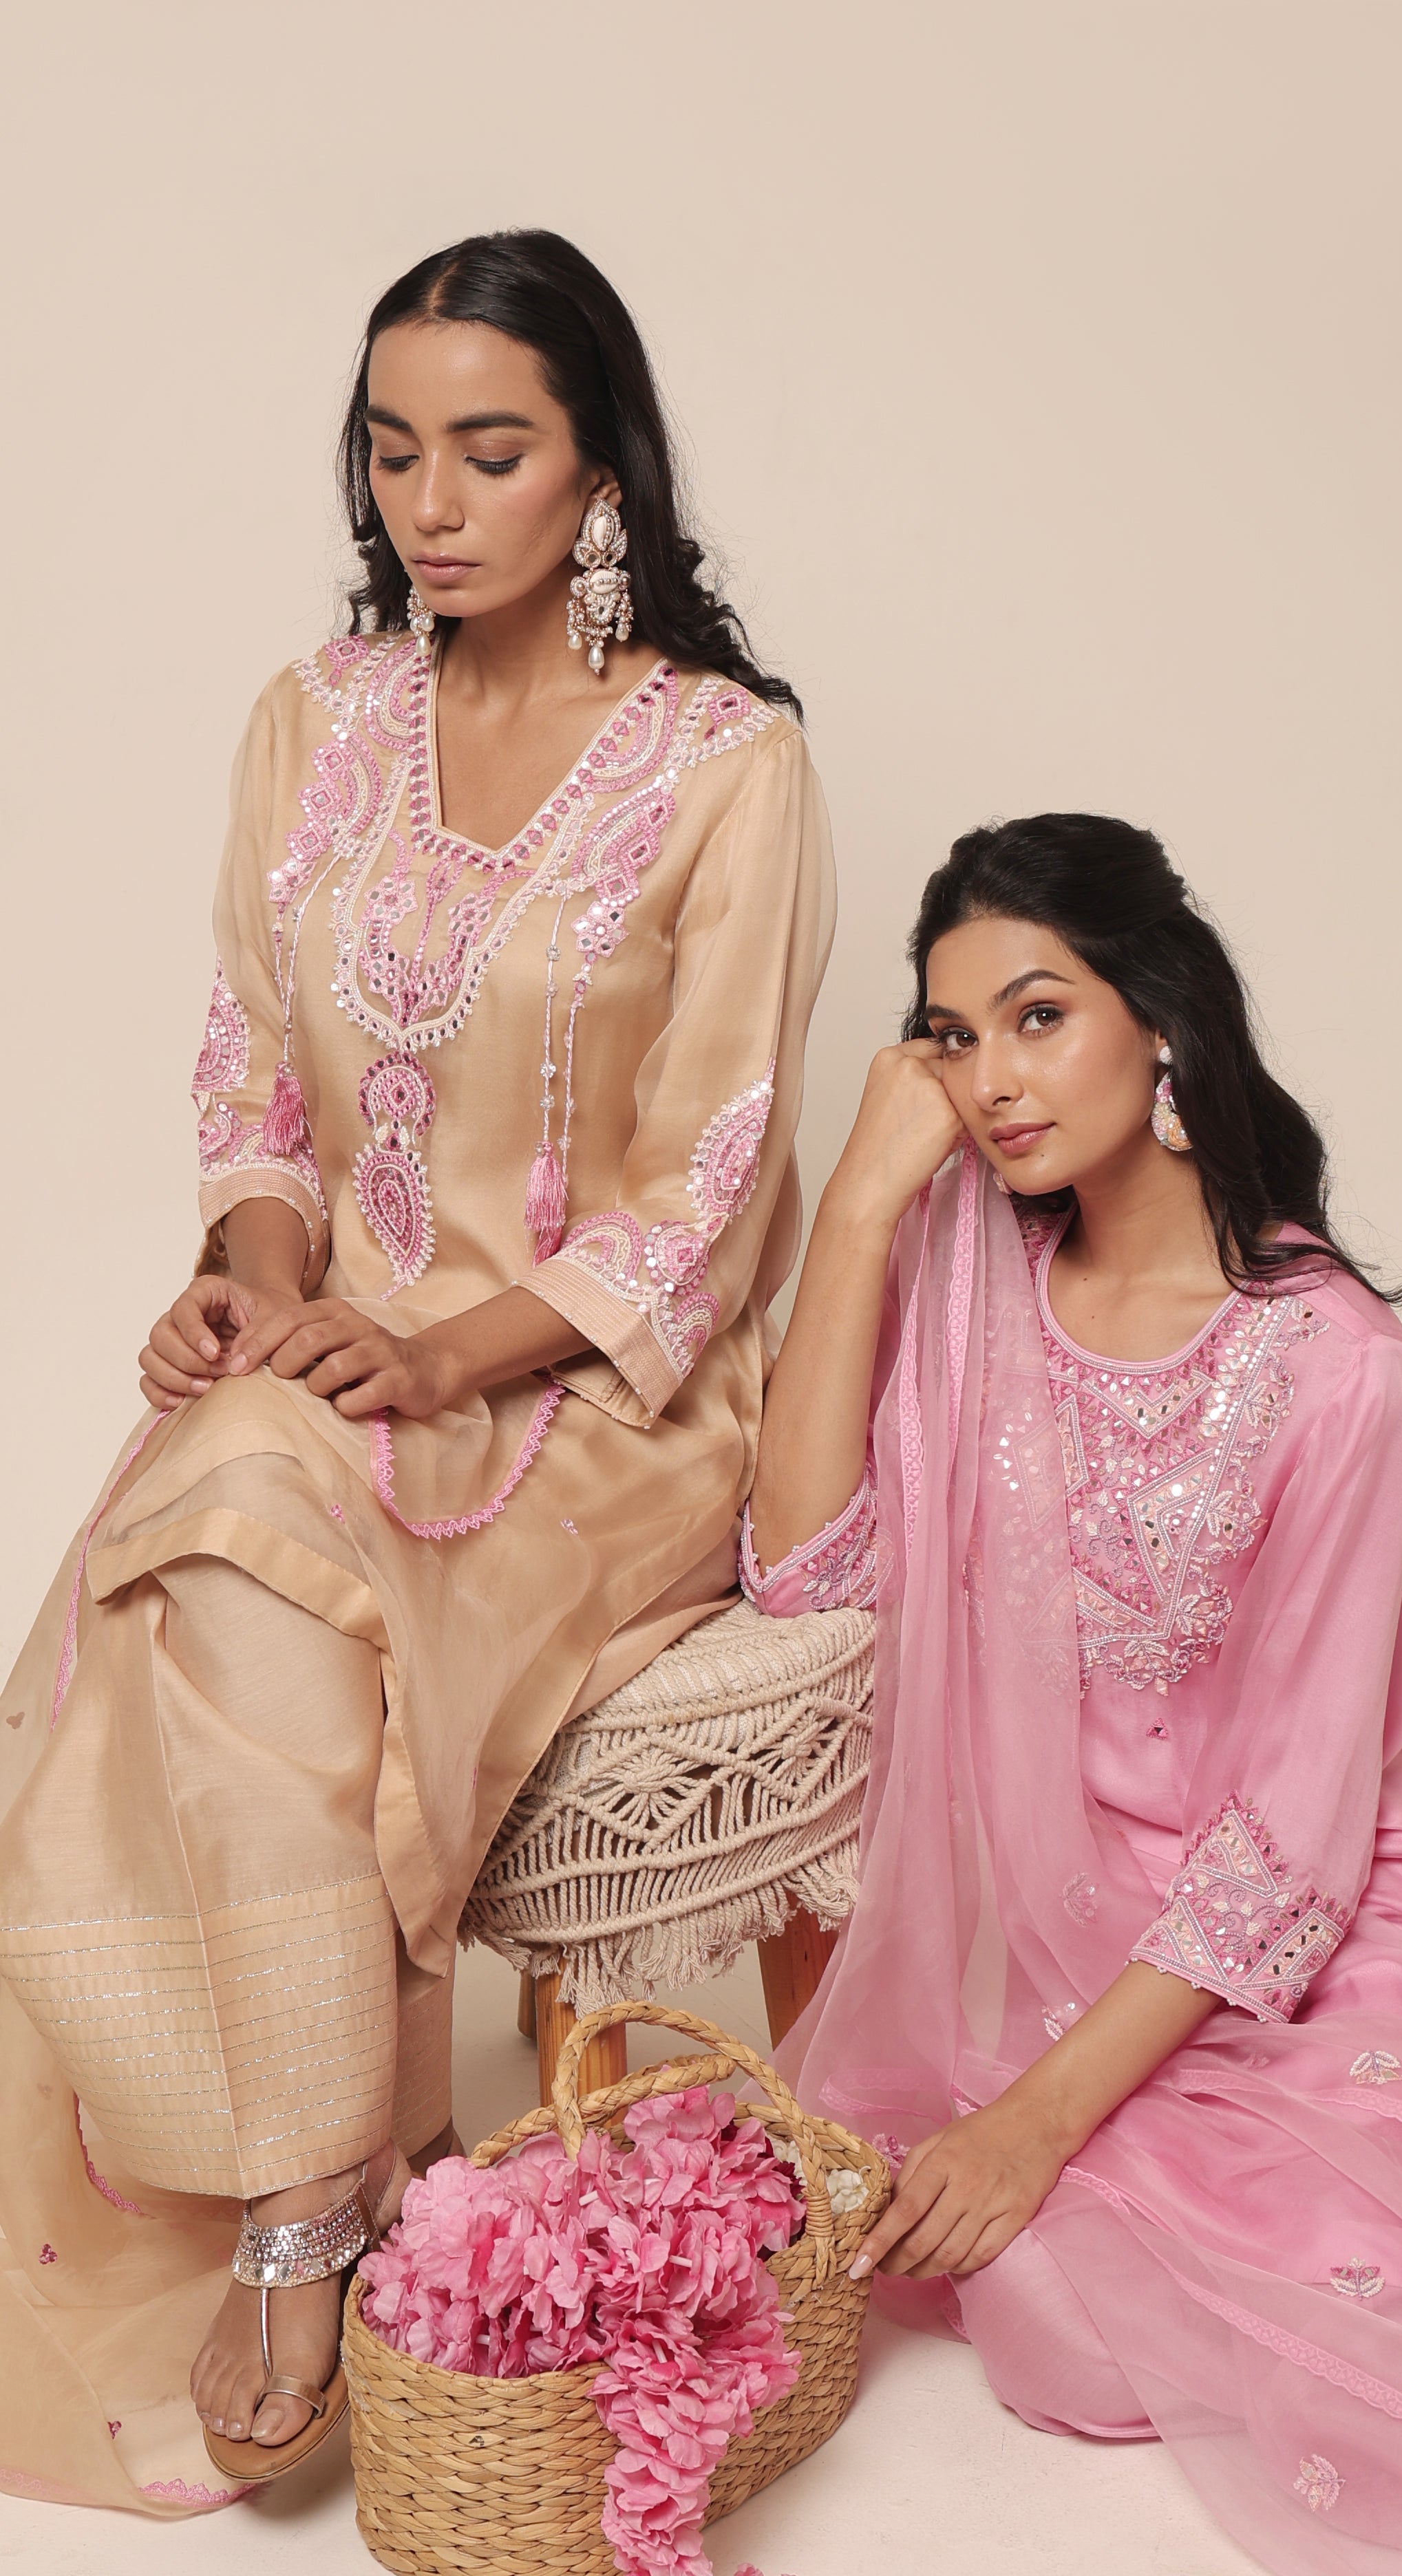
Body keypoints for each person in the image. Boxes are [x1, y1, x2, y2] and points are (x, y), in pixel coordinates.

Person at [0, 228, 831, 2514]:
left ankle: (303, 2204)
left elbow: (710, 1183)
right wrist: (258, 1286)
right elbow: (251, 1077)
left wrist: (427, 1347)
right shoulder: (319, 717)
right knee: (226, 1517)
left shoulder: (724, 764)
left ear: (600, 471)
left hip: (598, 1402)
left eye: (490, 450)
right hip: (333, 1380)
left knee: (226, 1527)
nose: (430, 504)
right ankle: (322, 2168)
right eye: (391, 451)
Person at [745, 813, 1402, 2574]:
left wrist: (1035, 2124)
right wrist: (865, 1206)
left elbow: (1290, 1841)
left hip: (1325, 1921)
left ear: (1162, 1019)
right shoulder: (970, 1274)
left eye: (1040, 1016)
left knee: (1353, 2275)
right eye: (952, 1036)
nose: (992, 1080)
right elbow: (804, 1578)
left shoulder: (1340, 1365)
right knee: (1045, 2317)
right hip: (1062, 1938)